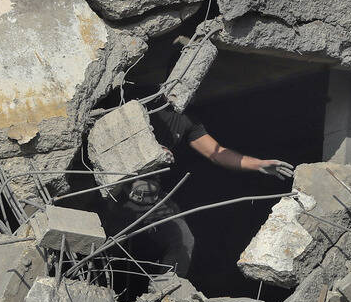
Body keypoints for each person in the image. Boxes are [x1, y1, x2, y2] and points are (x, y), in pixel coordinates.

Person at [106, 107, 293, 279]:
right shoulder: (146, 103)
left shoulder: (186, 120)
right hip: (117, 188)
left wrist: (258, 164)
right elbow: (113, 135)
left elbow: (217, 153)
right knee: (104, 239)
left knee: (184, 241)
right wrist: (152, 151)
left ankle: (166, 294)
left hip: (151, 196)